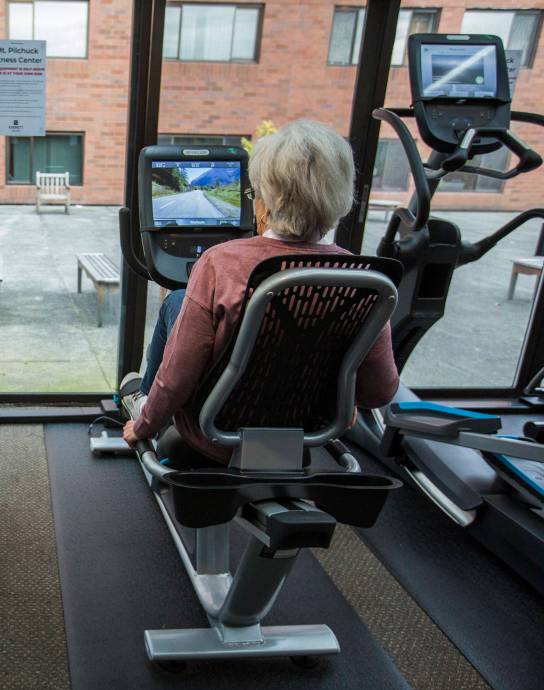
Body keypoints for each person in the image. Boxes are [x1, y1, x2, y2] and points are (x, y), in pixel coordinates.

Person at [120, 119, 399, 467]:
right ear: (341, 197)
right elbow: (379, 391)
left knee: (178, 302)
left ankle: (142, 402)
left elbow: (177, 379)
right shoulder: (363, 279)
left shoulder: (220, 263)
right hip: (306, 429)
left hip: (216, 431)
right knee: (179, 301)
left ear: (266, 201)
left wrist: (144, 426)